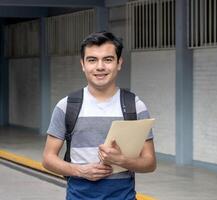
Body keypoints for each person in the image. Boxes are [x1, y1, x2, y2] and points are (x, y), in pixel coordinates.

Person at [42, 31, 156, 200]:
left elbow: (150, 163)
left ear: (119, 63)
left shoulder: (135, 106)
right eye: (92, 60)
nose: (100, 67)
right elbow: (48, 159)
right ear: (83, 64)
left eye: (108, 59)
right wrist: (80, 170)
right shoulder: (67, 106)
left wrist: (122, 160)